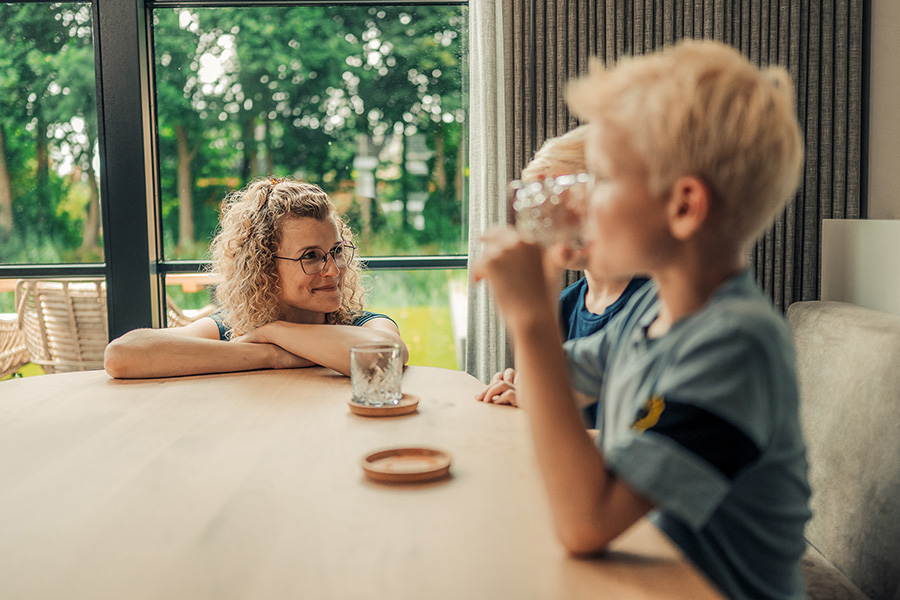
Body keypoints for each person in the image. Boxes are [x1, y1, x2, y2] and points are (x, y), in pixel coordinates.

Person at [472, 40, 811, 600]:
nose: (576, 206)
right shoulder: (652, 317)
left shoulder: (734, 343)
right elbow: (549, 385)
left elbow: (587, 522)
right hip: (640, 572)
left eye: (600, 179)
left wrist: (532, 318)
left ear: (683, 206)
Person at [105, 177, 408, 379]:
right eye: (311, 256)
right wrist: (271, 355)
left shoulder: (361, 325)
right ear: (264, 266)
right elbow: (122, 355)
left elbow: (386, 357)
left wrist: (274, 331)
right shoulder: (231, 329)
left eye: (337, 250)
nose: (333, 270)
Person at [475, 125, 648, 411]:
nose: (548, 220)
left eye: (560, 196)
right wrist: (528, 383)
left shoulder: (655, 305)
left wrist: (538, 397)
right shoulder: (565, 303)